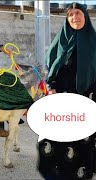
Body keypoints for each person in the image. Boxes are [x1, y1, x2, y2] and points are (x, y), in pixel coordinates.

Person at [38, 2, 96, 180]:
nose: (74, 17)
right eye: (70, 15)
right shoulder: (60, 40)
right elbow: (50, 68)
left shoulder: (94, 41)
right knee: (58, 136)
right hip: (61, 95)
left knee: (84, 137)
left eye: (78, 13)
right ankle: (57, 172)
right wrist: (51, 87)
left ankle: (84, 170)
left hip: (86, 95)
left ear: (85, 16)